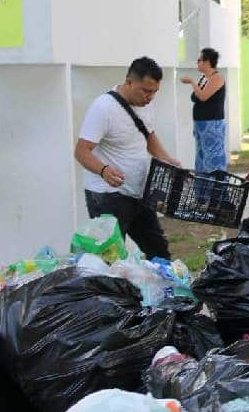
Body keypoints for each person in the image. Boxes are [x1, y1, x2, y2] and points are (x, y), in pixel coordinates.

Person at [75, 56, 180, 260]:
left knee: (159, 251)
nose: (150, 97)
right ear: (129, 81)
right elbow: (81, 151)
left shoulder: (145, 105)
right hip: (106, 196)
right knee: (112, 260)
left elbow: (148, 135)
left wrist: (167, 159)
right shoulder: (103, 108)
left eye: (155, 91)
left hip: (139, 193)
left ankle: (163, 289)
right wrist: (104, 170)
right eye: (146, 91)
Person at [180, 47, 227, 173]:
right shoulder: (204, 78)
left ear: (207, 62)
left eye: (199, 60)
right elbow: (195, 97)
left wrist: (191, 82)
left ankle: (215, 190)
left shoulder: (217, 78)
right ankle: (202, 190)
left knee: (212, 158)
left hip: (212, 124)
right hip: (201, 124)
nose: (197, 63)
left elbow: (203, 96)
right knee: (201, 159)